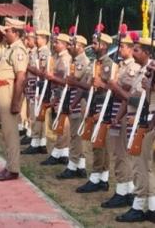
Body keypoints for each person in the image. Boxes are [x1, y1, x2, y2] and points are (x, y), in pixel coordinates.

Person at [115, 38, 155, 223]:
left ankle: (139, 206)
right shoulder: (144, 71)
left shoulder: (150, 72)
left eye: (137, 50)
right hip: (141, 119)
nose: (134, 52)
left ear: (147, 52)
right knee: (146, 166)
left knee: (140, 165)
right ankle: (151, 207)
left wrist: (149, 88)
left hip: (146, 121)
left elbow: (141, 101)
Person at [101, 32, 140, 209]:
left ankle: (124, 191)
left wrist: (113, 85)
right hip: (118, 111)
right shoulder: (122, 65)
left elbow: (128, 94)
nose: (120, 49)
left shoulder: (132, 68)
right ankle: (124, 188)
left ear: (132, 49)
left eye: (123, 46)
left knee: (122, 154)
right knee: (118, 153)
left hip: (126, 114)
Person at [76, 31, 114, 193]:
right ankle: (102, 178)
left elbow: (112, 88)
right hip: (94, 103)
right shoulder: (95, 63)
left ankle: (97, 176)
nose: (93, 45)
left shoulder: (108, 64)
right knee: (99, 143)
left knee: (99, 144)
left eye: (96, 42)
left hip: (103, 105)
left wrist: (101, 84)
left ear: (104, 46)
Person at [0, 18, 28, 181]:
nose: (5, 33)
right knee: (6, 132)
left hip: (8, 92)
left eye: (8, 31)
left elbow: (20, 78)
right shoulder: (9, 48)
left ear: (16, 33)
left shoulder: (18, 50)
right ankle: (9, 165)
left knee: (11, 133)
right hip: (1, 90)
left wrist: (15, 102)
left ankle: (13, 169)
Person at [57, 34, 90, 180]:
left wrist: (72, 103)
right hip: (74, 99)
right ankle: (80, 165)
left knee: (75, 135)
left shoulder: (82, 61)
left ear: (80, 47)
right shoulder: (75, 60)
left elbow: (74, 80)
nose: (69, 46)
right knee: (75, 134)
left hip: (78, 101)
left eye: (72, 44)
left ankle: (73, 165)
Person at [40, 33, 71, 166]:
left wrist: (53, 77)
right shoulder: (57, 57)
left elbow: (66, 80)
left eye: (57, 42)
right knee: (60, 124)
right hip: (57, 93)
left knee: (63, 124)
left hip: (64, 93)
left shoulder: (66, 59)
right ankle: (62, 152)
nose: (54, 44)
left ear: (64, 44)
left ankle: (59, 151)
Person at [23, 28, 51, 154]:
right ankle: (39, 141)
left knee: (37, 114)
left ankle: (36, 141)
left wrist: (27, 66)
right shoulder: (38, 51)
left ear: (44, 39)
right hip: (36, 84)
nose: (35, 39)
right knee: (37, 114)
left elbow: (41, 71)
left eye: (38, 38)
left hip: (40, 85)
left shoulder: (44, 53)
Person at [20, 26, 37, 144]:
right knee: (27, 108)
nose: (27, 41)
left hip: (33, 82)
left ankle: (31, 132)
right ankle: (27, 128)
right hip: (28, 81)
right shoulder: (28, 51)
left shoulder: (36, 53)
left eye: (29, 39)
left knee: (32, 109)